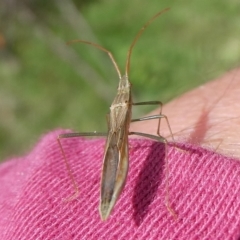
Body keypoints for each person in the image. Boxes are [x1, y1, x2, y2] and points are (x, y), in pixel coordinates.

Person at [0, 68, 240, 239]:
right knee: (161, 136)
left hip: (118, 140)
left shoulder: (117, 105)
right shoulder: (122, 104)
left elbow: (113, 119)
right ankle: (166, 202)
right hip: (118, 146)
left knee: (70, 139)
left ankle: (80, 193)